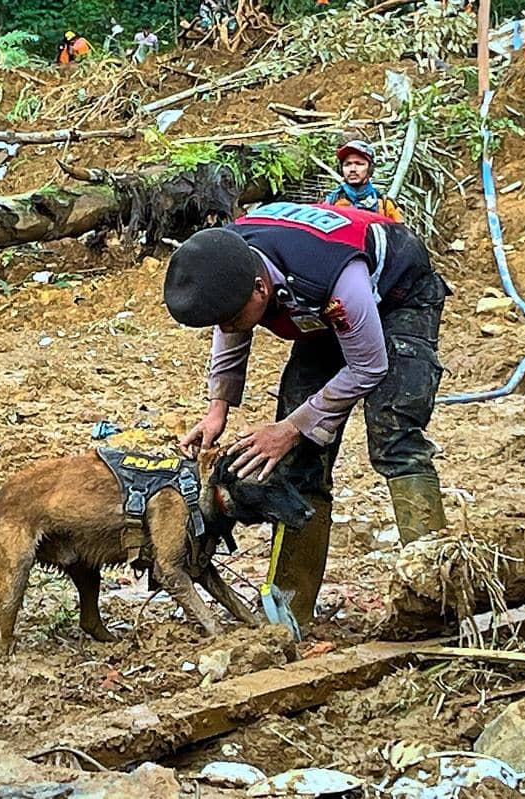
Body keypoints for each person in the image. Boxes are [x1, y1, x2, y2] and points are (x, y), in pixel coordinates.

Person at [164, 201, 450, 629]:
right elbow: (231, 329)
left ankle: (437, 598)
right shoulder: (226, 258)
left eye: (233, 317)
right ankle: (289, 610)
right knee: (297, 461)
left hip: (396, 295)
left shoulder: (337, 280)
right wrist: (217, 407)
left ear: (261, 289)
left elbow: (370, 366)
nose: (228, 327)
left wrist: (292, 427)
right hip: (317, 309)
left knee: (395, 437)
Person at [325, 140, 402, 222]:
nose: (352, 169)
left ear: (370, 169)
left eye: (359, 164)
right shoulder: (331, 202)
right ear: (340, 169)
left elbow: (400, 233)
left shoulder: (385, 205)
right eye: (347, 164)